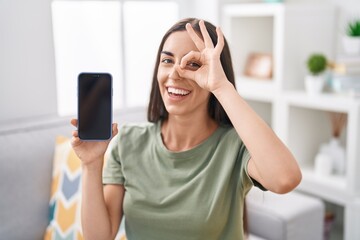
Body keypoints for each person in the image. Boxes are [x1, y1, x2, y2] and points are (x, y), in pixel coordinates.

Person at [70, 18, 302, 240]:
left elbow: (285, 179)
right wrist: (91, 165)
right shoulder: (128, 142)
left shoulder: (235, 146)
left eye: (193, 64)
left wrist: (221, 87)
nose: (174, 74)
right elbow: (99, 237)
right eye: (167, 60)